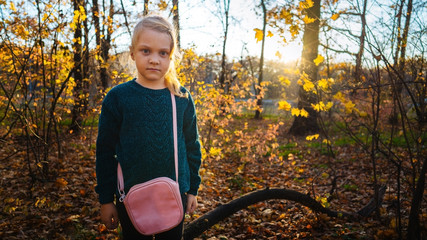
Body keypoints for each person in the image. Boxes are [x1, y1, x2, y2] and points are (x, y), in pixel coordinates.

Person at [95, 15, 202, 240]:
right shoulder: (118, 98)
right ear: (132, 52)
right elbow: (105, 152)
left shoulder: (180, 97)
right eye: (146, 51)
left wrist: (192, 189)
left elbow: (192, 145)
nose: (154, 59)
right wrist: (106, 200)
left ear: (171, 57)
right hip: (131, 197)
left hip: (174, 195)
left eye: (163, 53)